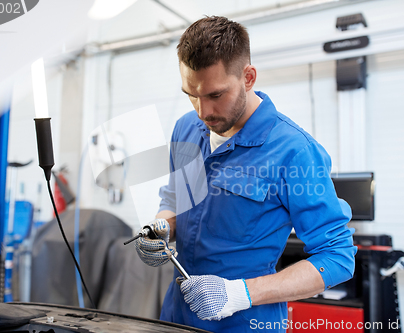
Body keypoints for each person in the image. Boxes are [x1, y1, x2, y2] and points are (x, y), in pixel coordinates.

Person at [135, 16, 357, 332]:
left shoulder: (295, 152)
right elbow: (177, 196)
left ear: (248, 77)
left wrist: (241, 294)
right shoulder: (186, 128)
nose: (203, 112)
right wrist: (163, 228)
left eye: (215, 95)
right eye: (191, 94)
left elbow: (338, 256)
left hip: (246, 322)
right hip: (176, 316)